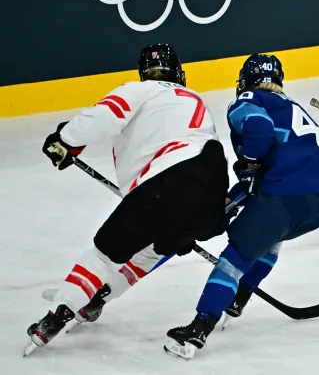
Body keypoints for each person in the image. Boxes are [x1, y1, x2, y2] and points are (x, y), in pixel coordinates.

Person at [25, 43, 229, 356]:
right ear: (179, 72)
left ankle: (58, 314)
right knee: (150, 249)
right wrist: (191, 218)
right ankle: (97, 300)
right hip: (211, 195)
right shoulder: (194, 99)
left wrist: (66, 139)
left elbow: (104, 115)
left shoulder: (140, 90)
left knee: (104, 255)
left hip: (166, 183)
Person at [163, 54, 319, 360]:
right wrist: (235, 196)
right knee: (270, 238)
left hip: (287, 193)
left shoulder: (249, 100)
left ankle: (198, 329)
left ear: (245, 81)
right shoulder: (290, 107)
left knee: (235, 258)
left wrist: (248, 163)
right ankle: (238, 298)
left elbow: (258, 129)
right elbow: (272, 172)